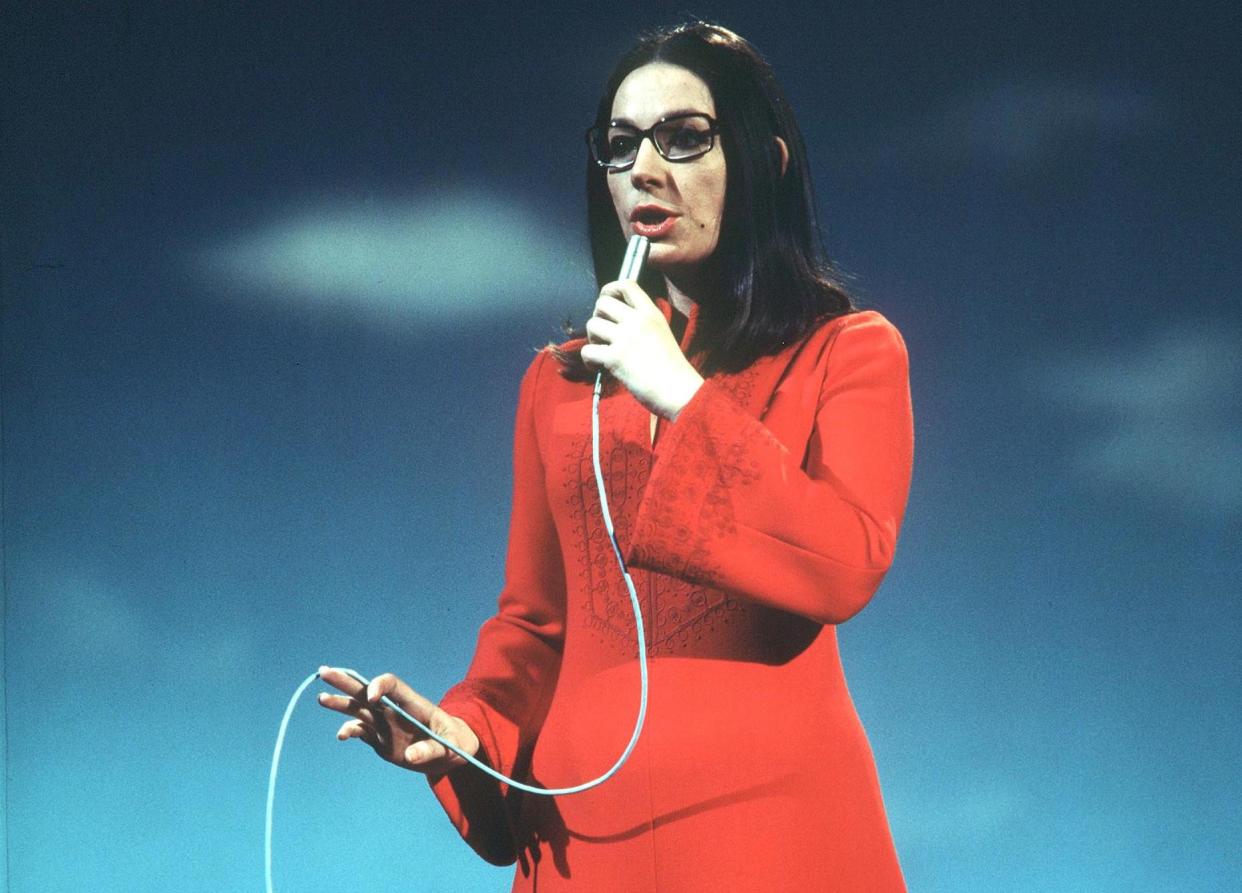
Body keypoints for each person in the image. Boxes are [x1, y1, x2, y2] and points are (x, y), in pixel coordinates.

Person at [319, 20, 913, 892]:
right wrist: (466, 730)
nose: (644, 168)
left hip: (774, 834)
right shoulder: (558, 386)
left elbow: (845, 561)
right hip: (585, 840)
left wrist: (682, 394)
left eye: (683, 137)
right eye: (621, 143)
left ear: (766, 161)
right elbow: (536, 624)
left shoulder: (849, 351)